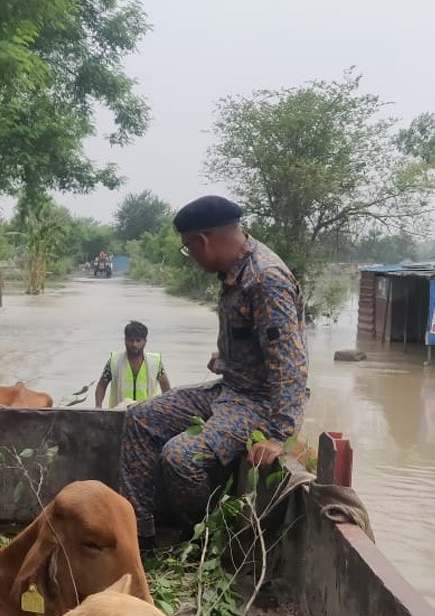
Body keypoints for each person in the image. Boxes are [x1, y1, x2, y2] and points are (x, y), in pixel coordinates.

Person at [117, 195, 310, 550]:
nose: (189, 256)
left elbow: (291, 365)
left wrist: (279, 436)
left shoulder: (265, 279)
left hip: (257, 404)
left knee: (180, 457)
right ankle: (140, 536)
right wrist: (225, 358)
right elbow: (256, 340)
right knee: (140, 418)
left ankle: (200, 541)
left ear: (202, 241)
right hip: (229, 389)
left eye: (187, 248)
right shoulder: (234, 272)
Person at [95, 321, 171, 408]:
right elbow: (101, 385)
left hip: (148, 413)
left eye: (138, 341)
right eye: (131, 340)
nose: (134, 344)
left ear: (145, 342)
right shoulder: (114, 362)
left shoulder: (155, 363)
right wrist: (98, 407)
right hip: (119, 413)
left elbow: (166, 388)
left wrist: (167, 408)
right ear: (125, 341)